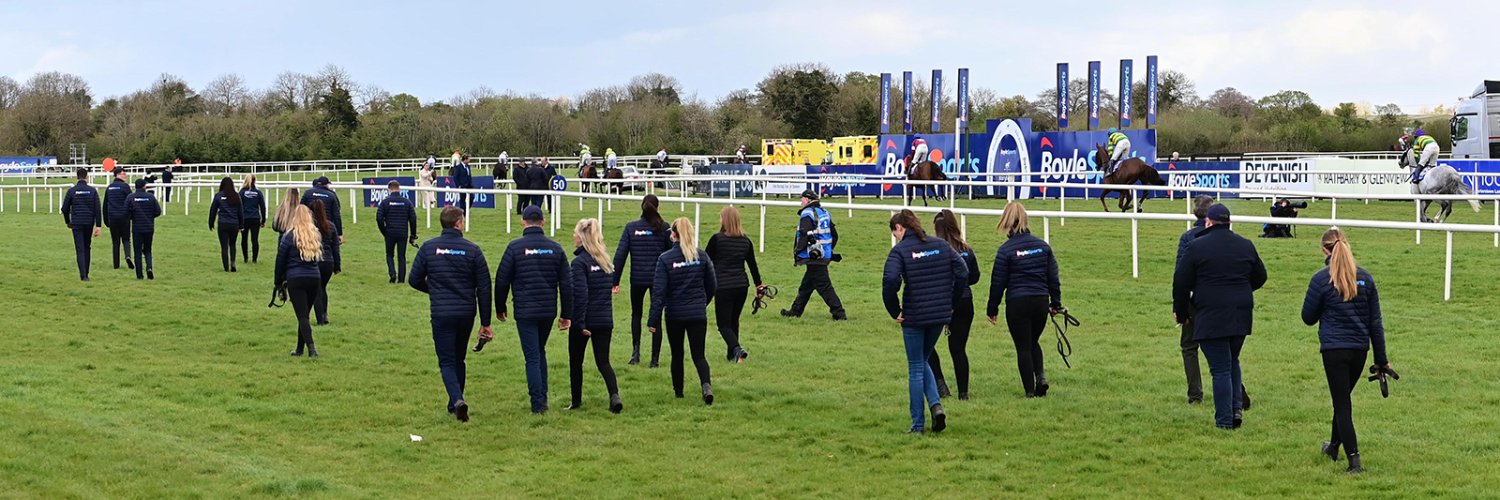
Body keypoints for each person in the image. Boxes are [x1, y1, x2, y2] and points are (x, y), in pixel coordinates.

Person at [1302, 228, 1390, 474]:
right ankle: (1332, 448)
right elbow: (1376, 323)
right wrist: (1381, 359)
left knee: (1342, 404)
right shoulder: (1366, 278)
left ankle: (1354, 461)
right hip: (1359, 350)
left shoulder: (1321, 279)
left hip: (1334, 349)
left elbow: (1307, 318)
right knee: (1342, 400)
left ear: (1324, 250)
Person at [1173, 204, 1267, 430]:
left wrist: (1181, 313)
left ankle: (1225, 421)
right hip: (1241, 312)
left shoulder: (1196, 247)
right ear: (1229, 223)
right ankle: (1235, 410)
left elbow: (1181, 282)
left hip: (1211, 313)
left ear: (1208, 222)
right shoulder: (1245, 245)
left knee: (1221, 368)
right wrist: (1240, 290)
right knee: (1232, 360)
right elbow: (1261, 277)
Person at [883, 209, 967, 433]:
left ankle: (918, 425)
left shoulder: (900, 251)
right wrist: (951, 300)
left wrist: (894, 310)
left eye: (895, 234)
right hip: (939, 314)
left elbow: (890, 280)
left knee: (915, 368)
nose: (896, 238)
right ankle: (936, 406)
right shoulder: (940, 245)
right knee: (924, 359)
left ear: (900, 228)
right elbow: (962, 271)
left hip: (914, 314)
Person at [409, 206, 494, 422]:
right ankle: (454, 403)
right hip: (466, 312)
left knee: (446, 361)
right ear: (458, 223)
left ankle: (456, 400)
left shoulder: (429, 248)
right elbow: (484, 287)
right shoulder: (473, 250)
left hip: (441, 312)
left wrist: (435, 289)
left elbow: (414, 279)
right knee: (459, 359)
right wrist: (485, 322)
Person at [495, 205, 574, 414]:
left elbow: (502, 280)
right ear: (543, 222)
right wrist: (567, 314)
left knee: (532, 356)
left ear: (523, 222)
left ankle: (538, 403)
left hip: (525, 310)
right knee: (539, 352)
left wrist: (500, 306)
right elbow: (566, 284)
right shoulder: (556, 248)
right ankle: (542, 397)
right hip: (548, 310)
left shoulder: (514, 247)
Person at [986, 202, 1063, 398]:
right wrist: (1056, 303)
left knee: (1023, 346)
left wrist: (992, 309)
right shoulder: (1043, 247)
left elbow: (998, 282)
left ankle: (1030, 391)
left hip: (1017, 302)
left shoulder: (1005, 250)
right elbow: (1053, 278)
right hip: (1040, 301)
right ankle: (1041, 377)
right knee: (1033, 341)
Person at [648, 218, 718, 405]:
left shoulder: (665, 259)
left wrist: (653, 320)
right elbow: (712, 286)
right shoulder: (701, 257)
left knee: (677, 354)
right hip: (697, 314)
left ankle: (679, 393)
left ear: (673, 234)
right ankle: (706, 385)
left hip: (675, 314)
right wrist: (702, 303)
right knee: (699, 355)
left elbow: (659, 293)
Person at [567, 218, 623, 413]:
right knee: (603, 362)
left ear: (582, 238)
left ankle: (576, 401)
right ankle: (614, 395)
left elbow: (580, 295)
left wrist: (579, 323)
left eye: (575, 233)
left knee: (576, 361)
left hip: (586, 320)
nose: (573, 236)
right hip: (605, 320)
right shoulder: (605, 262)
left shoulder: (578, 263)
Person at [612, 194, 673, 366]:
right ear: (657, 208)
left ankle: (635, 353)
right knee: (656, 316)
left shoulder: (631, 228)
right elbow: (672, 255)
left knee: (636, 314)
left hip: (637, 279)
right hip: (658, 280)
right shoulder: (664, 228)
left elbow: (620, 255)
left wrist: (614, 281)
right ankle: (655, 359)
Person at [927, 210, 981, 400]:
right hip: (965, 302)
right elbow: (974, 277)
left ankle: (940, 384)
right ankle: (963, 394)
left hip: (939, 302)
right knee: (958, 349)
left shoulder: (934, 251)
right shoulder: (966, 249)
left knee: (926, 346)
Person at [705, 206, 763, 363]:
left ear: (724, 220)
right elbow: (752, 265)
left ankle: (737, 349)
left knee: (723, 325)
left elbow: (706, 262)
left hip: (723, 286)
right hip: (741, 286)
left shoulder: (716, 239)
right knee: (733, 321)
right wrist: (759, 286)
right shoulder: (746, 241)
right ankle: (732, 355)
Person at [781, 189, 847, 320]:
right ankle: (796, 311)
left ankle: (839, 313)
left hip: (814, 257)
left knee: (824, 287)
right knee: (806, 286)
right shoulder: (825, 213)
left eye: (802, 199)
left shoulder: (807, 214)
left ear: (807, 200)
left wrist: (798, 252)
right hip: (823, 255)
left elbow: (805, 234)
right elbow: (835, 236)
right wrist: (827, 250)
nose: (801, 201)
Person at [1175, 195, 1214, 404]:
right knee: (1221, 348)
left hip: (1192, 301)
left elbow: (1180, 276)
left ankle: (1195, 395)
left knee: (1189, 347)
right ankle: (1234, 391)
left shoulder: (1187, 238)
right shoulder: (1224, 237)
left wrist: (1179, 309)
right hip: (1217, 302)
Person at [275, 205, 326, 358]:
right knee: (304, 314)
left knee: (302, 316)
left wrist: (277, 281)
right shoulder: (315, 235)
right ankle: (299, 349)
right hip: (314, 279)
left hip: (296, 279)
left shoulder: (289, 236)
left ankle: (312, 349)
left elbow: (280, 260)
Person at [61, 167, 102, 281]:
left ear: (77, 177)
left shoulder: (72, 191)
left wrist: (68, 221)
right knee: (87, 247)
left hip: (77, 223)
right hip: (89, 222)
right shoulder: (92, 191)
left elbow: (64, 209)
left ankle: (82, 275)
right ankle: (87, 274)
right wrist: (98, 225)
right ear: (87, 177)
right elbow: (97, 209)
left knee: (80, 249)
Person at [376, 181, 418, 283]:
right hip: (403, 233)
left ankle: (392, 273)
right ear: (399, 188)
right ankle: (401, 279)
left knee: (389, 254)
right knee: (401, 256)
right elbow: (413, 219)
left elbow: (379, 218)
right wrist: (413, 235)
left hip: (390, 232)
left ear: (389, 189)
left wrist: (384, 231)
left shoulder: (385, 202)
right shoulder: (407, 202)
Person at [309, 200, 342, 326]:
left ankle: (320, 319)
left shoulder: (310, 227)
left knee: (317, 290)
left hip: (316, 261)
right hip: (329, 262)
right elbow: (335, 248)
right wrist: (337, 266)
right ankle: (325, 314)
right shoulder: (331, 226)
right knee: (322, 288)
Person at [126, 179, 162, 280]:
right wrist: (150, 216)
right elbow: (158, 211)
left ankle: (139, 275)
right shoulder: (150, 197)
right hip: (149, 227)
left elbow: (126, 212)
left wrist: (133, 216)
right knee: (148, 250)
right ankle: (149, 268)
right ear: (144, 186)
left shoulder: (130, 197)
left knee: (137, 252)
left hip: (137, 228)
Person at [207, 177, 243, 272]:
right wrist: (241, 225)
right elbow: (240, 212)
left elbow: (213, 210)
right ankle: (233, 263)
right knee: (232, 244)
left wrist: (211, 223)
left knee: (224, 246)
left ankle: (226, 268)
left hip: (223, 224)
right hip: (234, 224)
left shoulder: (218, 196)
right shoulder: (236, 196)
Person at [102, 168, 134, 271]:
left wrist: (106, 220)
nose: (125, 175)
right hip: (124, 217)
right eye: (123, 174)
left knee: (115, 242)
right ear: (117, 175)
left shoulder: (109, 188)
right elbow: (131, 202)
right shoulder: (125, 187)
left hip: (112, 217)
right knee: (126, 239)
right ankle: (128, 256)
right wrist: (132, 216)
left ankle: (116, 265)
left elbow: (105, 205)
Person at [300, 176, 344, 244]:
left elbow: (300, 210)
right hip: (327, 227)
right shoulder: (331, 195)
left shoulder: (307, 193)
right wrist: (339, 233)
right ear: (326, 184)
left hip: (310, 226)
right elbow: (336, 215)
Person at [239, 175, 267, 263]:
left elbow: (238, 207)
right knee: (254, 239)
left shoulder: (242, 192)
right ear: (255, 181)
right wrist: (263, 220)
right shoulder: (258, 193)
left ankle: (245, 259)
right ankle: (254, 259)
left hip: (244, 219)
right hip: (255, 218)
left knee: (244, 239)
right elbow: (263, 207)